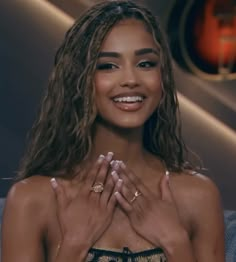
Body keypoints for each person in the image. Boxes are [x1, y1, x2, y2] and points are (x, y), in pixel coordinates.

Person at [1, 0, 225, 261]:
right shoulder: (33, 200)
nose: (130, 79)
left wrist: (175, 242)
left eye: (145, 64)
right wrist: (74, 243)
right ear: (79, 79)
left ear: (162, 77)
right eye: (107, 66)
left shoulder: (198, 197)